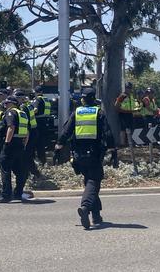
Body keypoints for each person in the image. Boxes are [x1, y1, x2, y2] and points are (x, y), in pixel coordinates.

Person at [55, 88, 113, 230]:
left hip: (78, 155)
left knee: (89, 182)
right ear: (94, 98)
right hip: (94, 154)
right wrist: (113, 150)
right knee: (94, 181)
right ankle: (85, 207)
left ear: (82, 99)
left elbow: (66, 131)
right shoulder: (99, 113)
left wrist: (58, 147)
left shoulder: (77, 112)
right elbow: (107, 133)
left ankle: (96, 216)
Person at [0, 96, 29, 203]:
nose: (5, 106)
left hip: (11, 144)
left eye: (6, 104)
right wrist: (24, 144)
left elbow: (11, 127)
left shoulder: (11, 113)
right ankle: (18, 193)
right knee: (19, 171)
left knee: (5, 170)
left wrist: (6, 143)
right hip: (20, 144)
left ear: (11, 104)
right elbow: (27, 132)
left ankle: (6, 195)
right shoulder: (22, 113)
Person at [113, 82, 137, 168]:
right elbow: (116, 107)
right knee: (123, 129)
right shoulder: (122, 96)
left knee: (130, 128)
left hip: (130, 114)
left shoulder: (130, 96)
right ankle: (123, 143)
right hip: (123, 114)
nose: (129, 89)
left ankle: (129, 142)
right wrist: (124, 111)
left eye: (130, 88)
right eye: (127, 88)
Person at [32, 86, 52, 166]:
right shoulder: (46, 99)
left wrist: (30, 114)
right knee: (41, 144)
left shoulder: (38, 99)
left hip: (38, 123)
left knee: (36, 143)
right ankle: (43, 161)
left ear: (36, 92)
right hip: (45, 123)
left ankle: (38, 161)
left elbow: (35, 110)